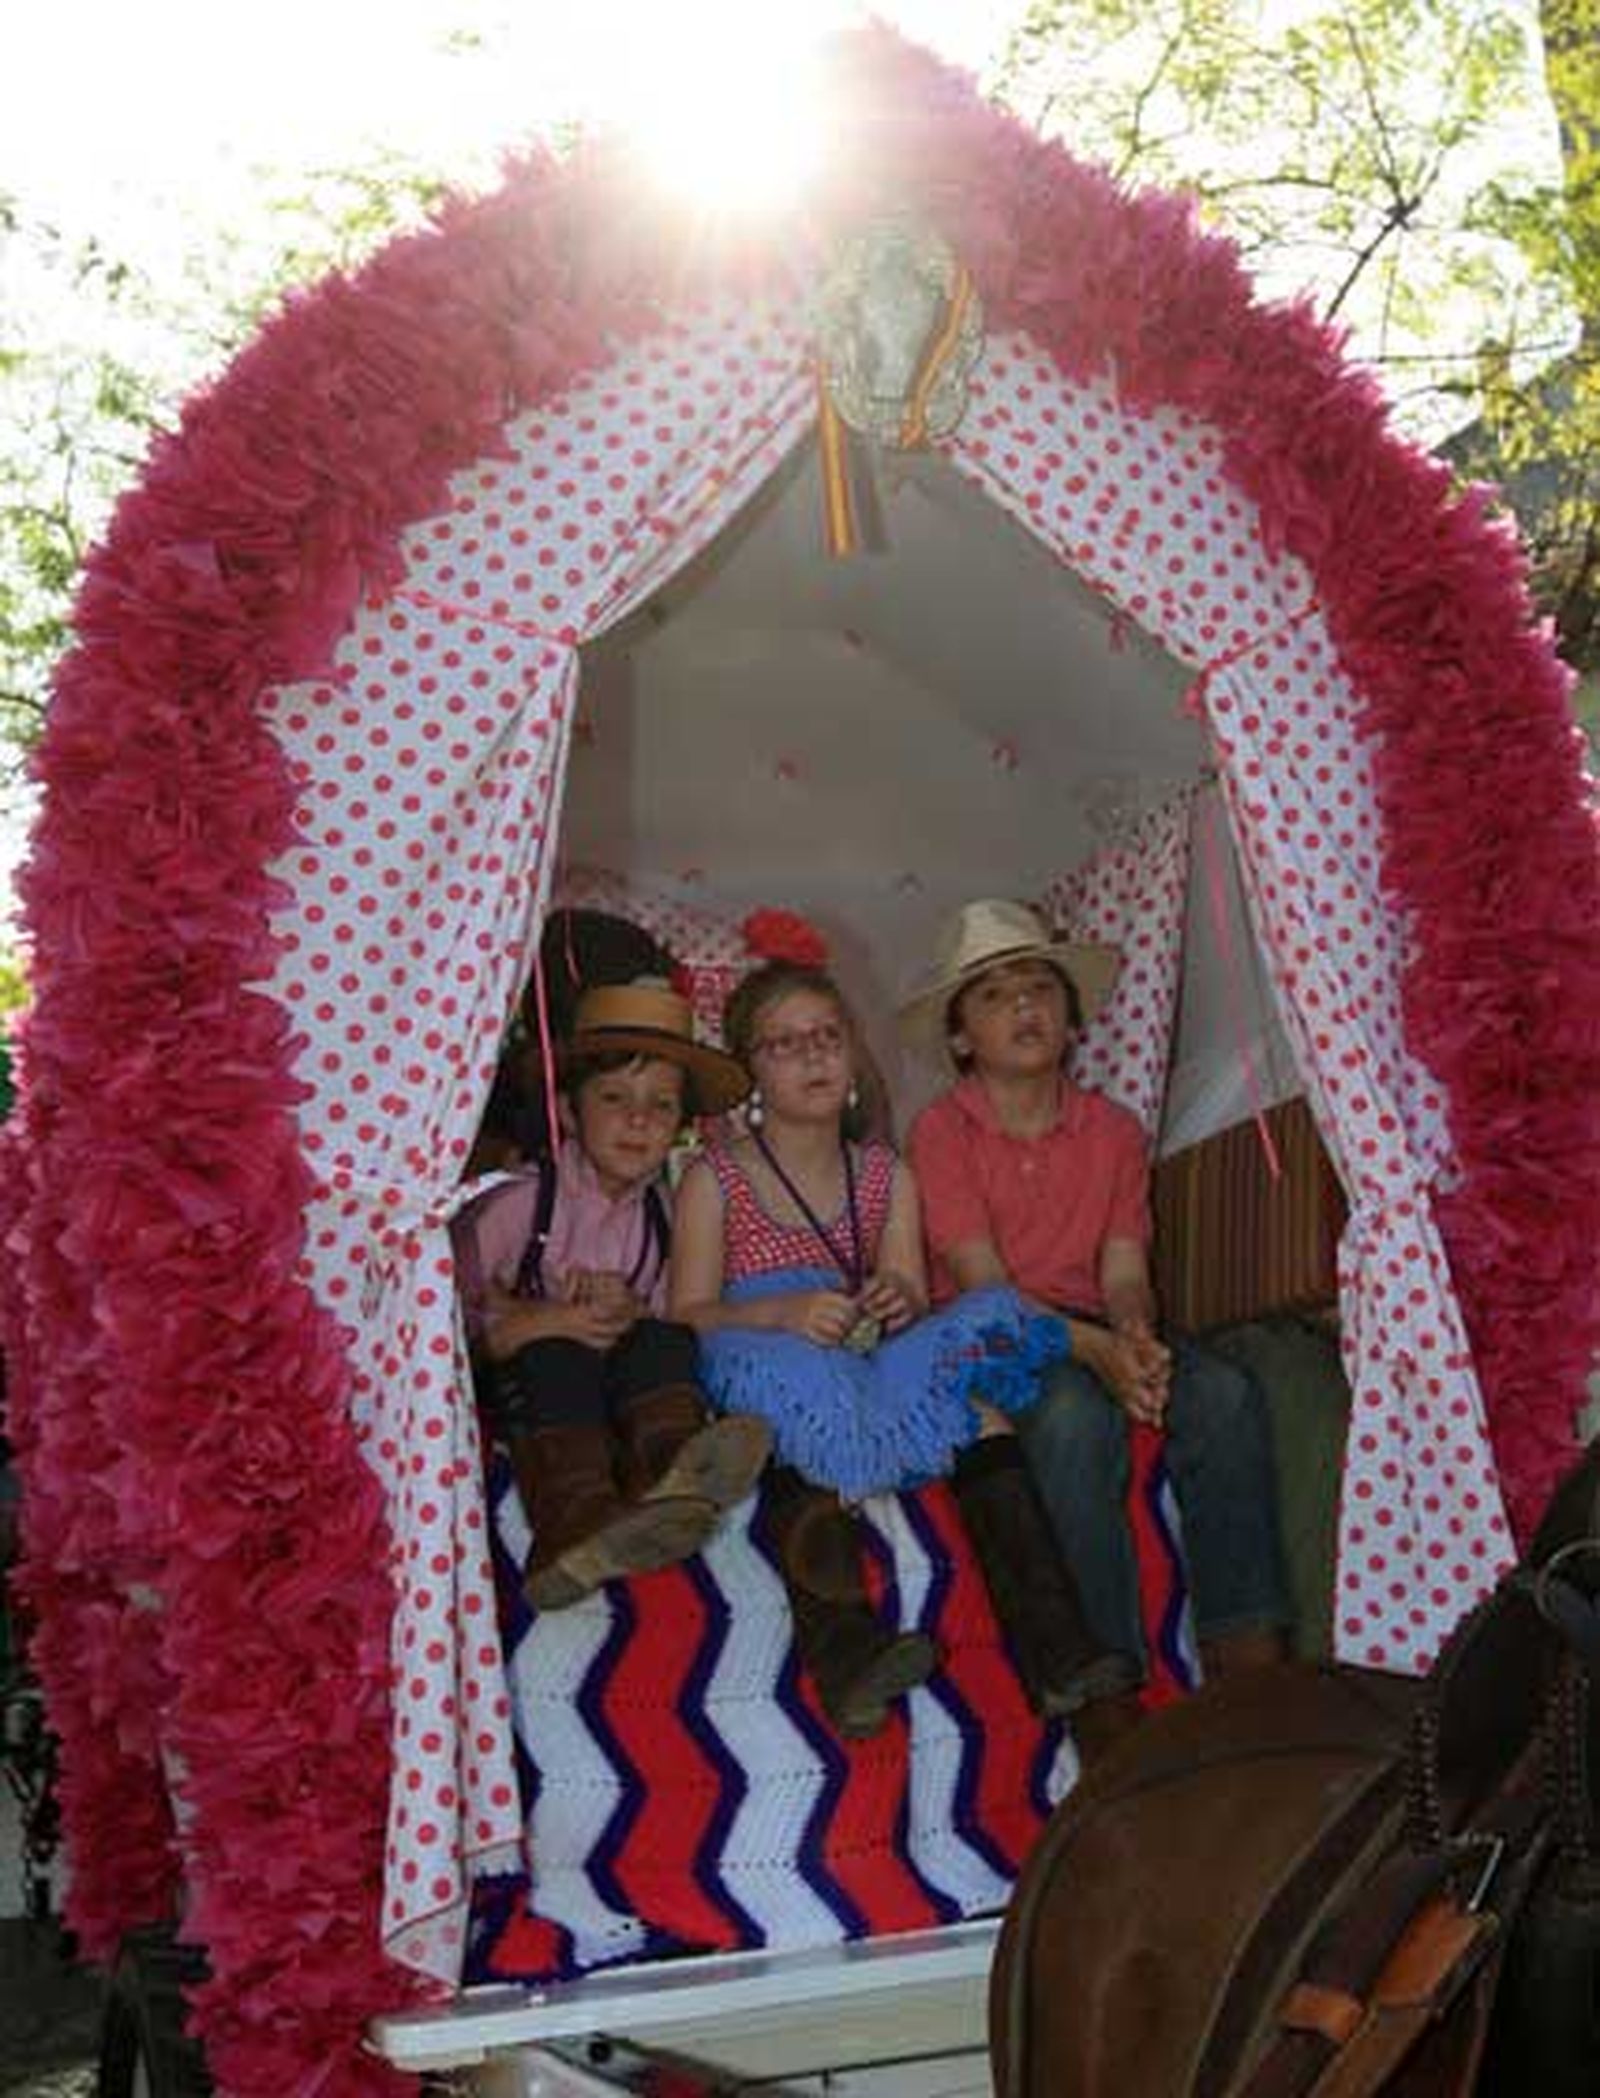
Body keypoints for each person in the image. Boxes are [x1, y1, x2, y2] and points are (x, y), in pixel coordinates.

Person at [669, 940, 1134, 1742]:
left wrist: (895, 1297)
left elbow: (910, 1294)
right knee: (791, 1396)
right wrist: (780, 1315)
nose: (812, 1056)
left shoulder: (886, 1173)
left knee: (980, 1408)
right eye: (786, 1043)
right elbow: (686, 1317)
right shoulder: (718, 1177)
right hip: (763, 1353)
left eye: (828, 1036)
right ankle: (848, 1654)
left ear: (852, 1052)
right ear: (751, 1068)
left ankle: (1056, 1649)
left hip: (860, 1349)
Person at [903, 899, 1292, 1741]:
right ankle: (1107, 1689)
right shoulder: (941, 1131)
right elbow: (983, 1286)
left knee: (1221, 1391)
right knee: (1075, 1418)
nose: (1024, 1008)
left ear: (1072, 1018)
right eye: (995, 995)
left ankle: (1247, 1653)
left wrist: (1137, 1337)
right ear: (962, 1037)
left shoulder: (1112, 1130)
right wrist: (1100, 1355)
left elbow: (1123, 1269)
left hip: (1094, 1321)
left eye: (1040, 987)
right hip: (989, 1332)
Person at [455, 979, 772, 1610]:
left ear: (680, 1127)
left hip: (611, 1384)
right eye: (615, 1099)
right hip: (527, 1381)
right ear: (570, 1112)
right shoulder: (518, 1198)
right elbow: (445, 1329)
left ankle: (669, 1474)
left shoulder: (663, 1214)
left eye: (660, 1107)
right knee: (557, 1356)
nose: (638, 1121)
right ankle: (575, 1523)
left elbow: (662, 1315)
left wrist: (626, 1314)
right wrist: (538, 1323)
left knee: (665, 1336)